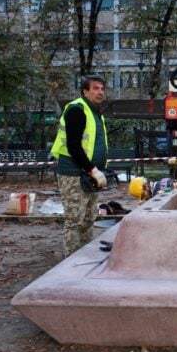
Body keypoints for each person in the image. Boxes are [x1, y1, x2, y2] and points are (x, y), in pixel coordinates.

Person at [50, 75, 109, 257]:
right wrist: (92, 169)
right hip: (73, 173)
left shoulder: (95, 112)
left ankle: (85, 255)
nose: (100, 92)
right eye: (95, 88)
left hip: (89, 173)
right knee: (75, 219)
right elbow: (74, 146)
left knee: (89, 218)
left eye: (102, 89)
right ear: (85, 91)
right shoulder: (77, 110)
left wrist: (96, 170)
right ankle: (71, 260)